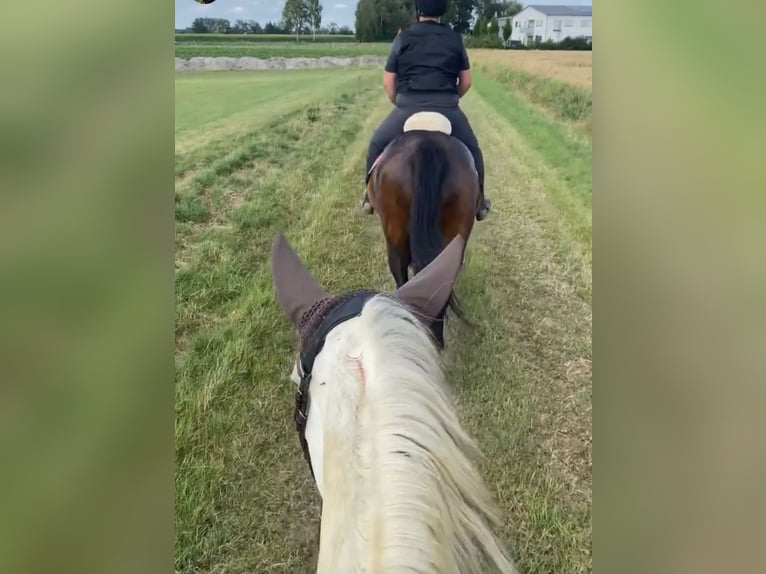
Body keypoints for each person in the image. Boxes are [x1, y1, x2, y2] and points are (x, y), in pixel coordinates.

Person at [360, 0, 490, 221]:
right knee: (474, 151)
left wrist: (397, 101)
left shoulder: (403, 37)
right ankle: (480, 202)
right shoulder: (455, 38)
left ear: (418, 11)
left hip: (407, 107)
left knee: (376, 143)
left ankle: (368, 197)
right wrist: (450, 98)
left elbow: (389, 81)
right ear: (442, 10)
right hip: (447, 108)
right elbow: (466, 81)